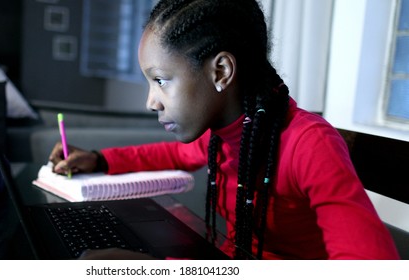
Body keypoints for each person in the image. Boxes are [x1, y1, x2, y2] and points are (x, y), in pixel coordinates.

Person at [49, 0, 400, 260]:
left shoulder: (309, 143)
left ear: (220, 72)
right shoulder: (223, 135)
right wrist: (97, 159)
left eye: (160, 81)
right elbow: (173, 153)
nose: (151, 102)